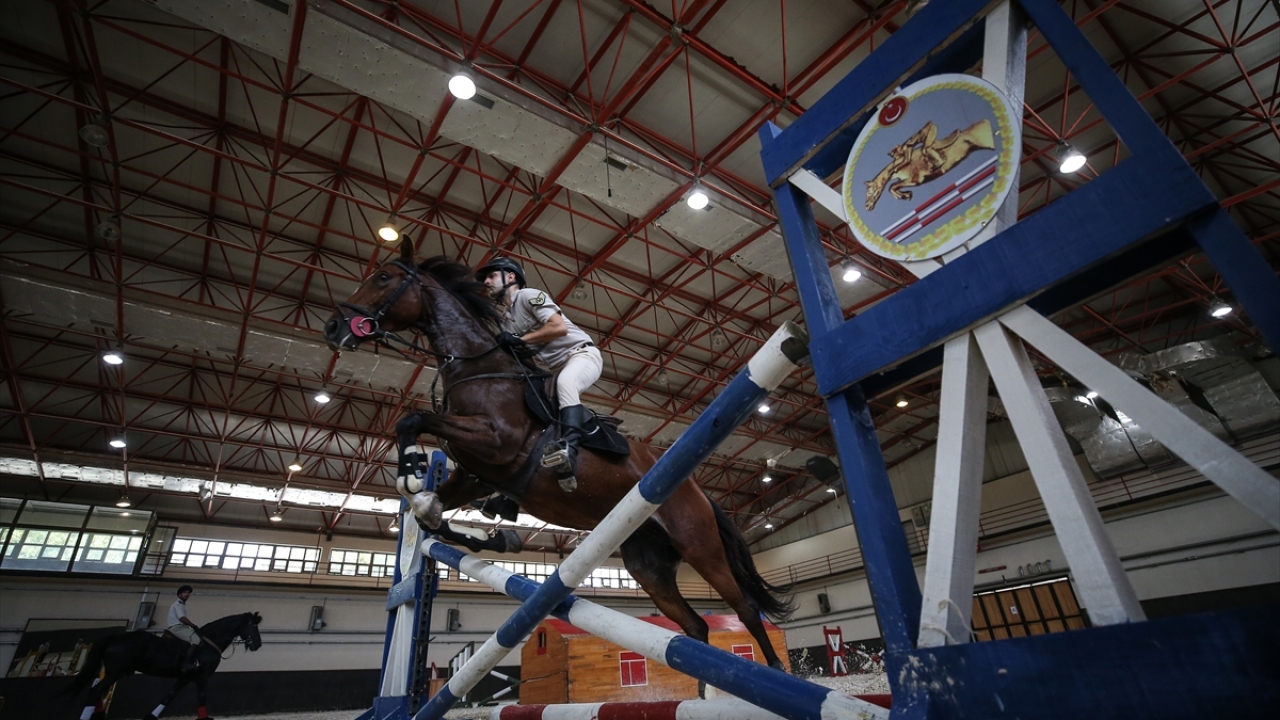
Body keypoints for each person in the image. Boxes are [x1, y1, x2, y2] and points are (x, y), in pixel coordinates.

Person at [476, 257, 602, 493]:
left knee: (566, 383)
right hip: (555, 370)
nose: (486, 281)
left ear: (510, 277)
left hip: (582, 356)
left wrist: (519, 340)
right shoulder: (507, 321)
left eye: (491, 276)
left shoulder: (527, 296)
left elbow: (558, 327)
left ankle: (570, 450)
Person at [167, 585, 202, 673]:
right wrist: (193, 625)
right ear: (179, 595)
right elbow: (182, 618)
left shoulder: (180, 604)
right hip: (177, 628)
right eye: (185, 592)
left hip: (180, 627)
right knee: (197, 639)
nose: (187, 594)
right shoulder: (179, 604)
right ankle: (186, 663)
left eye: (188, 593)